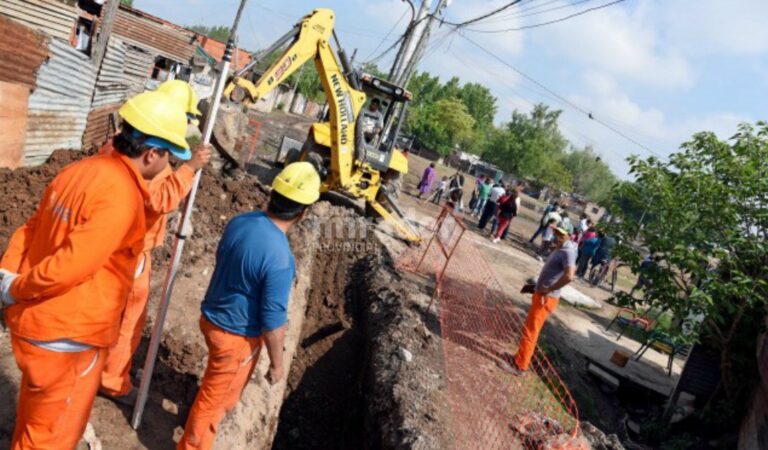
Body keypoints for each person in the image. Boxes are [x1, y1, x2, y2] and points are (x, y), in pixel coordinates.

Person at [0, 90, 191, 450]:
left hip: (38, 327)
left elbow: (32, 228)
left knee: (34, 423)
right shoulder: (121, 197)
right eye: (167, 157)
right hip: (69, 338)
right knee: (53, 437)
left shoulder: (79, 170)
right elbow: (70, 267)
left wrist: (8, 275)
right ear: (152, 153)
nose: (166, 167)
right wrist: (16, 288)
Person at [177, 162, 321, 450]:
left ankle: (205, 436)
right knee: (214, 399)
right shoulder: (281, 259)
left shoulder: (241, 221)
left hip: (211, 317)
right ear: (303, 213)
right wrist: (278, 364)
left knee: (219, 393)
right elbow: (272, 321)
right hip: (235, 337)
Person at [99, 80, 212, 406]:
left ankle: (95, 366)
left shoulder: (116, 145)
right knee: (129, 322)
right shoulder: (153, 166)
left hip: (106, 242)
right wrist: (189, 168)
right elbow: (160, 200)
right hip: (131, 252)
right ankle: (111, 381)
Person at [505, 226, 576, 375]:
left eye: (561, 234)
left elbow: (569, 276)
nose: (557, 236)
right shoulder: (561, 247)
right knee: (528, 329)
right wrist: (536, 287)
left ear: (570, 235)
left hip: (546, 298)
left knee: (531, 332)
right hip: (541, 294)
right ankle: (519, 358)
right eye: (556, 232)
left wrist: (549, 289)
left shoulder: (568, 252)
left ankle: (520, 367)